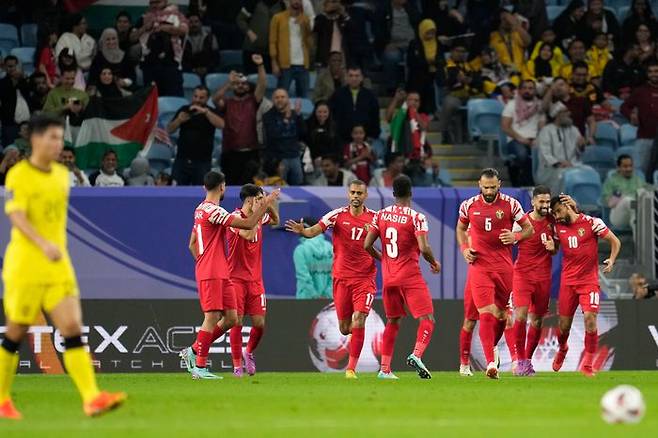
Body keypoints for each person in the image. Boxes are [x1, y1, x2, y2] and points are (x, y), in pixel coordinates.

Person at [0, 114, 126, 420]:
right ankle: (2, 399)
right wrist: (42, 244)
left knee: (71, 328)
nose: (58, 144)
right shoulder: (19, 175)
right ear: (35, 139)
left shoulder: (61, 175)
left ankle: (92, 397)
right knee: (16, 331)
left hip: (58, 266)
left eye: (60, 138)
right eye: (53, 138)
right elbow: (17, 215)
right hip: (26, 265)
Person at [179, 171, 279, 379]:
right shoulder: (214, 211)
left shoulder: (200, 210)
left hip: (219, 270)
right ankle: (199, 366)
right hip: (214, 271)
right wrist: (265, 203)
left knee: (231, 318)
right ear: (222, 187)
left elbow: (191, 244)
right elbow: (247, 225)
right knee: (212, 317)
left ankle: (194, 350)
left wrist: (203, 260)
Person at [286, 181, 377, 378]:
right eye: (352, 192)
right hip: (341, 279)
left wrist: (385, 258)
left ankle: (351, 369)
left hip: (364, 279)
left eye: (359, 193)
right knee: (345, 329)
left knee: (359, 318)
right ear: (348, 194)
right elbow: (314, 231)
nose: (355, 196)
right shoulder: (336, 215)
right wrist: (303, 231)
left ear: (365, 195)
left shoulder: (375, 219)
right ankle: (355, 338)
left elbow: (387, 242)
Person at [455, 168, 533, 379]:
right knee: (483, 314)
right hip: (479, 268)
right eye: (485, 187)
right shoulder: (468, 205)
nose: (489, 191)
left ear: (499, 184)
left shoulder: (511, 204)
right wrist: (464, 250)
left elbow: (529, 229)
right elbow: (460, 229)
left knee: (502, 316)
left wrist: (516, 236)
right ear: (479, 185)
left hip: (504, 268)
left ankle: (495, 352)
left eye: (492, 187)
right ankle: (488, 363)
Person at [364, 174, 441, 379]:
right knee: (428, 319)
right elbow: (424, 247)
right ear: (411, 192)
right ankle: (416, 355)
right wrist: (433, 262)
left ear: (393, 193)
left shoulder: (380, 215)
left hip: (389, 279)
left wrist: (384, 259)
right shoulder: (416, 217)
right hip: (410, 276)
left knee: (393, 321)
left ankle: (385, 369)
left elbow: (366, 245)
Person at [547, 195, 621, 376]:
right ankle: (563, 348)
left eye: (558, 211)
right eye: (553, 213)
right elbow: (556, 247)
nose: (556, 216)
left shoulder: (592, 223)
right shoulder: (557, 227)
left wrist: (611, 259)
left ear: (567, 206)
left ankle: (587, 363)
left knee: (590, 320)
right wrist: (552, 247)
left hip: (589, 282)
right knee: (563, 326)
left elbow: (615, 241)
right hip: (568, 283)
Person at [227, 184, 280, 377]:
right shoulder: (235, 219)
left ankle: (248, 352)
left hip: (255, 280)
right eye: (258, 198)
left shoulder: (259, 214)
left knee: (259, 323)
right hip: (235, 279)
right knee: (237, 322)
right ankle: (236, 366)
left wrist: (268, 203)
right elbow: (248, 234)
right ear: (249, 200)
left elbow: (275, 220)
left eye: (261, 198)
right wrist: (262, 208)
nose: (260, 202)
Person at [511, 185, 556, 376]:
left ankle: (527, 361)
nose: (545, 205)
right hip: (522, 274)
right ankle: (520, 360)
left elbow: (555, 249)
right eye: (542, 201)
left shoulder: (553, 221)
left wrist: (553, 247)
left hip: (544, 277)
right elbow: (510, 240)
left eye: (547, 201)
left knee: (537, 321)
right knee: (520, 316)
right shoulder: (522, 221)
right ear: (533, 201)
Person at [213, 54, 267, 186]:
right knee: (230, 188)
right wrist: (229, 83)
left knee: (249, 190)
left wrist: (260, 65)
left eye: (243, 84)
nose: (240, 86)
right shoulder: (227, 103)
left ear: (248, 87)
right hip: (230, 153)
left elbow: (263, 85)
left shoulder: (253, 101)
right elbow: (215, 98)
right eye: (237, 84)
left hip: (250, 153)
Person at [167, 85, 224, 186]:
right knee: (177, 192)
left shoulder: (210, 111)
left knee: (200, 194)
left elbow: (221, 124)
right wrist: (179, 120)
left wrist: (205, 112)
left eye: (201, 98)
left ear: (207, 99)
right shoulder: (184, 110)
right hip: (182, 160)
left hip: (202, 162)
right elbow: (169, 129)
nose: (197, 100)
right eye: (195, 96)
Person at [134, 0, 188, 97]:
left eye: (157, 2)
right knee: (151, 101)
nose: (154, 5)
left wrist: (164, 27)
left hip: (171, 66)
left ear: (165, 1)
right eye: (152, 2)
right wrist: (145, 27)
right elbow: (132, 37)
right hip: (149, 66)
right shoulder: (144, 17)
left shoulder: (177, 16)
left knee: (174, 100)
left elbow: (184, 30)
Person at [437, 42, 483, 143]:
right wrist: (455, 80)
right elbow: (440, 82)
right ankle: (445, 133)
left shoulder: (469, 66)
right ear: (451, 52)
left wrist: (470, 81)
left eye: (463, 52)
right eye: (458, 51)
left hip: (469, 95)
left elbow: (479, 82)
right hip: (452, 95)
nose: (460, 54)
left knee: (481, 102)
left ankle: (475, 134)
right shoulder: (444, 65)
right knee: (450, 103)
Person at [536, 102, 586, 194]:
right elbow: (545, 153)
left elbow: (579, 151)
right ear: (557, 114)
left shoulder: (574, 129)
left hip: (572, 165)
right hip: (552, 169)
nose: (569, 114)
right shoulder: (546, 131)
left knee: (589, 172)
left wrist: (581, 145)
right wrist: (559, 163)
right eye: (565, 112)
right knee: (563, 175)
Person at [501, 79, 544, 187]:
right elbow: (505, 127)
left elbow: (542, 126)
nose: (527, 91)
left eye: (530, 88)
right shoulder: (511, 105)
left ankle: (531, 183)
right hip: (516, 139)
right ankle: (528, 185)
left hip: (535, 139)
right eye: (524, 88)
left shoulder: (540, 106)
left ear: (535, 91)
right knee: (522, 155)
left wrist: (538, 139)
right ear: (519, 90)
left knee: (544, 154)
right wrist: (521, 139)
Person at [373, 0, 420, 93]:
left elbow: (419, 23)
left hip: (412, 44)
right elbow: (377, 29)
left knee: (416, 57)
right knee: (391, 57)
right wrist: (386, 43)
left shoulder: (411, 7)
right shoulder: (383, 8)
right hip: (393, 45)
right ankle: (391, 87)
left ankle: (412, 88)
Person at [621, 61, 658, 178]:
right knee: (638, 170)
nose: (654, 74)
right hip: (644, 137)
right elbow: (624, 107)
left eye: (656, 71)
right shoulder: (640, 91)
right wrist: (631, 115)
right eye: (650, 72)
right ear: (647, 74)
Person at [268, 0, 312, 98]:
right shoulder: (278, 18)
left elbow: (311, 43)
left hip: (303, 65)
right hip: (285, 65)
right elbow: (272, 41)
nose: (297, 1)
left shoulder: (305, 19)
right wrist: (274, 62)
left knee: (304, 98)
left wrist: (306, 25)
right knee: (281, 96)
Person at [262, 89, 305, 185]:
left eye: (282, 97)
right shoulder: (268, 116)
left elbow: (303, 133)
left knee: (298, 186)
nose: (280, 99)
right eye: (277, 97)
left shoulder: (295, 114)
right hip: (278, 158)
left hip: (295, 156)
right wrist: (286, 118)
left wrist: (299, 115)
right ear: (272, 100)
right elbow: (273, 135)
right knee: (279, 187)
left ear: (288, 99)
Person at [329, 66, 380, 143]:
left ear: (362, 78)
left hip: (365, 139)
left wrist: (372, 135)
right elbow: (332, 115)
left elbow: (375, 117)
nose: (354, 79)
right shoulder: (338, 94)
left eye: (357, 76)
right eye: (351, 76)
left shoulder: (370, 96)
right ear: (346, 77)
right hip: (342, 139)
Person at [237, 0, 286, 74]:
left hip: (270, 54)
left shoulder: (282, 6)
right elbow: (240, 19)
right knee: (251, 81)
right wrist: (249, 32)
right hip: (252, 50)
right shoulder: (253, 2)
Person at [543, 75, 596, 144]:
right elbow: (543, 108)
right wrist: (550, 90)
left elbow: (591, 121)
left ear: (568, 87)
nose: (558, 88)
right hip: (557, 141)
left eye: (561, 85)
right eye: (555, 86)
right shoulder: (552, 103)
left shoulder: (581, 101)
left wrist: (590, 137)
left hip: (578, 141)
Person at [406, 19, 443, 115]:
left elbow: (441, 59)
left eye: (432, 32)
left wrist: (435, 62)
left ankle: (431, 111)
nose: (430, 35)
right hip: (418, 74)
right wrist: (427, 63)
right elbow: (411, 62)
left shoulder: (438, 43)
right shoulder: (414, 44)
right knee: (420, 80)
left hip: (434, 73)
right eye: (428, 32)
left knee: (432, 83)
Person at [601, 154, 648, 231]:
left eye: (630, 166)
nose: (629, 169)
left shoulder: (638, 180)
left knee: (644, 193)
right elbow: (609, 203)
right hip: (618, 216)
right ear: (619, 168)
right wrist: (620, 197)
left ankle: (641, 242)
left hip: (636, 214)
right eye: (625, 166)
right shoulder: (611, 181)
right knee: (627, 200)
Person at [0, 56, 30, 147]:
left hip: (26, 123)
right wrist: (15, 80)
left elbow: (28, 93)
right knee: (10, 149)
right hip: (10, 123)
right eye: (9, 66)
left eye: (14, 66)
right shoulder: (2, 83)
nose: (12, 69)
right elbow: (6, 94)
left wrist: (22, 78)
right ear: (5, 67)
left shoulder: (23, 80)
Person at [489, 9, 531, 75]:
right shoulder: (493, 37)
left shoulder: (517, 33)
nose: (508, 21)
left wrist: (515, 24)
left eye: (509, 18)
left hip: (521, 73)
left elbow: (528, 41)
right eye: (504, 19)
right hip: (504, 74)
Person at [313, 0, 351, 68]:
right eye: (332, 2)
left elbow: (353, 29)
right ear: (326, 4)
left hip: (342, 55)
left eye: (336, 2)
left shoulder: (342, 18)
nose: (334, 5)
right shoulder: (321, 18)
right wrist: (325, 12)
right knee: (324, 77)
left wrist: (344, 14)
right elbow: (316, 28)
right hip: (325, 56)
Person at [182, 12, 220, 78]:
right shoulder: (182, 39)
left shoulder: (210, 37)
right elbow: (182, 60)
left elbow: (216, 58)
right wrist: (193, 70)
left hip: (208, 71)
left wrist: (206, 69)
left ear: (201, 23)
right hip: (189, 71)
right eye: (191, 22)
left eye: (196, 22)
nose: (194, 25)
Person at [304, 100, 341, 165]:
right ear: (315, 112)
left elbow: (336, 147)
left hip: (329, 161)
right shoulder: (307, 124)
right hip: (311, 161)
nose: (322, 114)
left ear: (329, 112)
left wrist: (325, 158)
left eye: (325, 112)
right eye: (319, 112)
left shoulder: (334, 126)